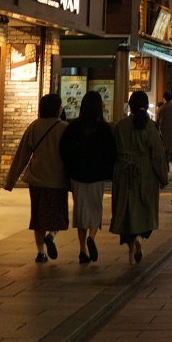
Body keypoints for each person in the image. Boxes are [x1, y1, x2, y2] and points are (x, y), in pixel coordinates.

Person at [3, 92, 69, 264]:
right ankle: (52, 236)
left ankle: (41, 253)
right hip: (57, 179)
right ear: (58, 108)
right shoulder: (64, 128)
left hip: (37, 179)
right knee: (57, 214)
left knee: (38, 217)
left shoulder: (34, 126)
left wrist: (10, 181)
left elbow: (22, 155)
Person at [110, 90, 169, 264]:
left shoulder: (120, 126)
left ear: (131, 106)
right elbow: (158, 155)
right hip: (145, 174)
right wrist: (163, 178)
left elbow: (113, 151)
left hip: (123, 173)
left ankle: (130, 252)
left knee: (127, 212)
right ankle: (140, 239)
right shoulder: (150, 127)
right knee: (144, 211)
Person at [58, 90, 116, 264]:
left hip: (78, 175)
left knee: (80, 210)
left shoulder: (73, 127)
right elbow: (112, 153)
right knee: (96, 208)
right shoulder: (105, 128)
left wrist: (71, 168)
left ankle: (82, 249)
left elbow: (64, 150)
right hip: (97, 175)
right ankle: (92, 236)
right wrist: (108, 171)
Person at [156, 88, 172, 165]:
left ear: (164, 98)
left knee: (165, 150)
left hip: (164, 131)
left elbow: (158, 121)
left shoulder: (161, 109)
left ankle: (166, 166)